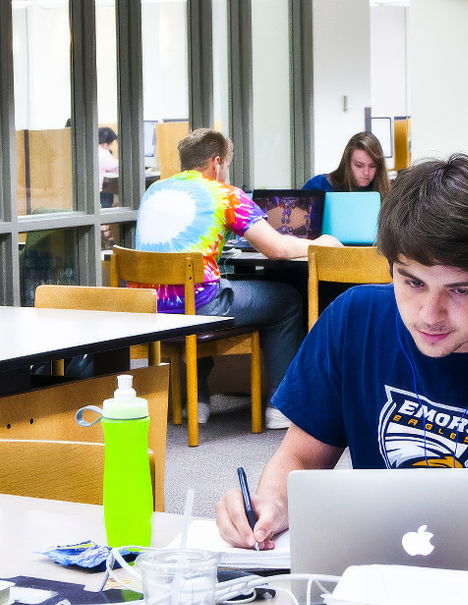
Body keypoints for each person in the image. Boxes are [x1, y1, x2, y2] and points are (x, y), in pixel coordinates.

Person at [214, 155, 468, 560]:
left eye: (461, 290)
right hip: (383, 577)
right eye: (412, 282)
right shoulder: (354, 318)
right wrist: (273, 503)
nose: (429, 315)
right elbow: (302, 457)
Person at [132, 128, 340, 427]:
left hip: (151, 307)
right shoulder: (225, 195)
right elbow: (278, 249)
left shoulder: (155, 191)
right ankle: (280, 406)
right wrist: (321, 242)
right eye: (226, 165)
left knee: (196, 293)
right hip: (198, 307)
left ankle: (198, 401)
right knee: (289, 301)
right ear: (217, 163)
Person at [304, 132, 391, 197]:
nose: (366, 173)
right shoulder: (319, 185)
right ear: (347, 163)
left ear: (379, 167)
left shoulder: (387, 194)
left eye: (372, 166)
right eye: (359, 165)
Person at [98, 126, 121, 208]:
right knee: (119, 200)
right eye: (110, 144)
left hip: (89, 195)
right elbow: (117, 169)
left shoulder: (93, 150)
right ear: (105, 143)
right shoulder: (104, 153)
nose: (111, 146)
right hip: (97, 197)